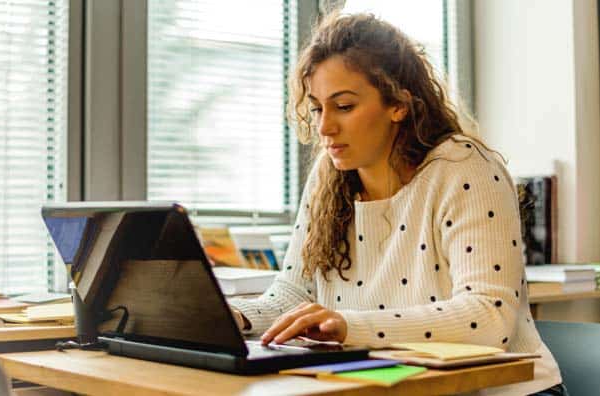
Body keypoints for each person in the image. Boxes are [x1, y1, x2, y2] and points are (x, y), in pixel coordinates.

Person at [228, 11, 565, 395]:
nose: (324, 128)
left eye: (344, 106)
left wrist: (350, 326)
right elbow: (293, 296)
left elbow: (490, 319)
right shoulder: (329, 175)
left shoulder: (463, 167)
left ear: (398, 104)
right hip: (394, 385)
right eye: (319, 108)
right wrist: (232, 318)